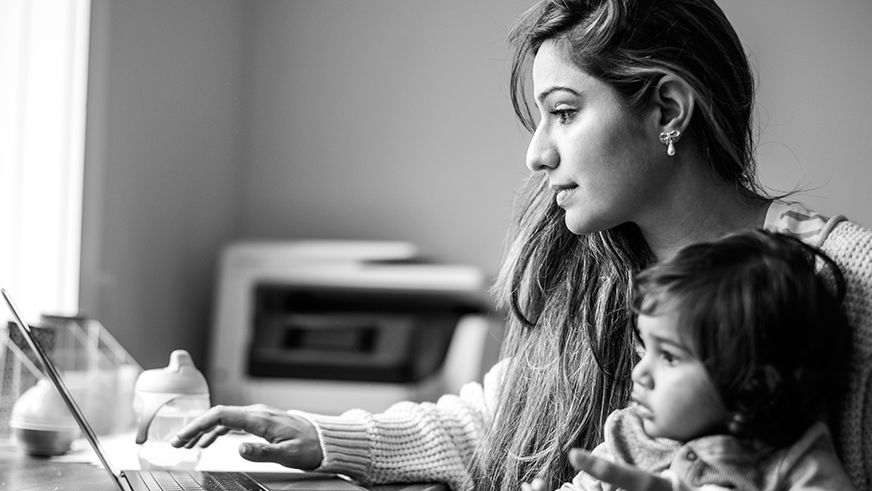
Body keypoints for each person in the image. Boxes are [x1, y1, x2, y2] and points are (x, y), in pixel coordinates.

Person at [170, 1, 872, 489]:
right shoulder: (597, 271)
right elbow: (501, 423)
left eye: (564, 112)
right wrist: (323, 438)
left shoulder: (852, 279)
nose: (537, 153)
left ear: (667, 108)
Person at [540, 230, 856, 490]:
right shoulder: (630, 436)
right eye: (643, 349)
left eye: (668, 356)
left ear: (753, 386)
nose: (640, 373)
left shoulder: (796, 465)